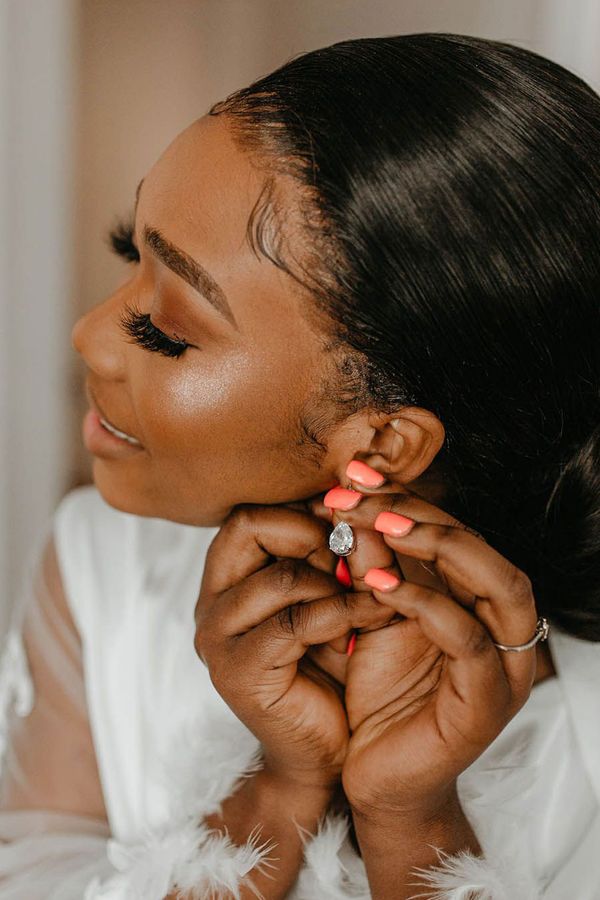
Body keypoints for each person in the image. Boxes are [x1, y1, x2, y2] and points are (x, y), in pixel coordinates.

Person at [0, 30, 598, 899]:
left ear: (382, 445)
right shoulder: (102, 563)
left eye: (166, 329)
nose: (88, 335)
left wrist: (412, 824)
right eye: (133, 251)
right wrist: (276, 798)